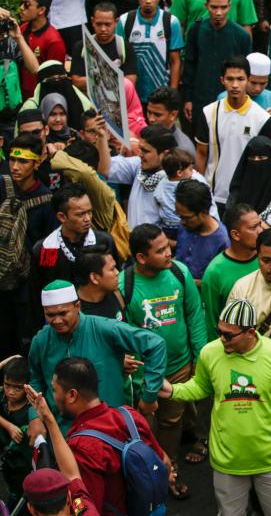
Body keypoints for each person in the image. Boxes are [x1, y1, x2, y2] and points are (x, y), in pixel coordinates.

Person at [158, 298, 271, 516]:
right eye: (220, 332)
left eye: (229, 335)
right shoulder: (210, 353)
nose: (222, 339)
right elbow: (201, 387)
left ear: (250, 332)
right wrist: (172, 391)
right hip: (227, 461)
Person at [119, 224, 204, 492]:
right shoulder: (124, 286)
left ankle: (170, 467)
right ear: (141, 258)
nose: (169, 253)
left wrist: (200, 358)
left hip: (180, 366)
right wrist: (143, 379)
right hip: (145, 373)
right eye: (161, 251)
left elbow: (194, 315)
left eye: (168, 247)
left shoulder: (180, 273)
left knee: (170, 421)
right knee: (145, 423)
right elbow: (124, 336)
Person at [26, 280, 167, 437]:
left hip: (109, 432)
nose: (57, 321)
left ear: (77, 307)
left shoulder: (105, 329)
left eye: (63, 313)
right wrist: (35, 417)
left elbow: (155, 344)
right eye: (50, 315)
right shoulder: (41, 340)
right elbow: (36, 380)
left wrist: (148, 397)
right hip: (63, 434)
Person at [52, 357, 169, 514]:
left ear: (72, 395)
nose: (53, 396)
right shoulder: (129, 415)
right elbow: (164, 463)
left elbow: (89, 508)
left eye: (54, 390)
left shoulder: (81, 446)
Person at [0, 135, 56, 358]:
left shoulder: (47, 201)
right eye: (12, 159)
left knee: (24, 343)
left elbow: (50, 248)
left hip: (27, 288)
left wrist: (44, 287)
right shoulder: (2, 187)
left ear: (37, 162)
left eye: (23, 161)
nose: (15, 166)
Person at [196, 55, 271, 210]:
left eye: (240, 79)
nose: (235, 85)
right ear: (222, 80)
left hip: (246, 199)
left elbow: (264, 165)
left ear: (248, 80)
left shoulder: (262, 118)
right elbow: (201, 153)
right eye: (230, 79)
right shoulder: (208, 112)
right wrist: (199, 190)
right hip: (213, 196)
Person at [181, 0, 253, 119]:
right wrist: (188, 99)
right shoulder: (196, 30)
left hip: (231, 101)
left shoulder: (241, 35)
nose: (219, 12)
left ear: (229, 6)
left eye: (223, 7)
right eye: (214, 7)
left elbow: (247, 73)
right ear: (206, 5)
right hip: (200, 99)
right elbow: (189, 66)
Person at [32, 183, 115, 296]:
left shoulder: (104, 242)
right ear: (62, 217)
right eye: (80, 214)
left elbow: (115, 282)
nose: (87, 219)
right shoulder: (44, 249)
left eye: (89, 212)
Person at [116, 0, 184, 104]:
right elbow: (118, 58)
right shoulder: (125, 21)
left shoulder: (171, 22)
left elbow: (175, 61)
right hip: (131, 94)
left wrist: (173, 91)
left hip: (161, 93)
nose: (148, 0)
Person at [200, 203, 262, 338]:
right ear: (236, 234)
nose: (260, 231)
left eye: (260, 225)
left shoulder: (266, 260)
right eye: (253, 227)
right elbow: (211, 322)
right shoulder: (215, 272)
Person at [69, 3, 138, 93]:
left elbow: (130, 82)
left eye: (107, 24)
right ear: (92, 21)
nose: (103, 29)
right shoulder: (81, 47)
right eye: (99, 24)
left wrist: (92, 80)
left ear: (116, 22)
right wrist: (113, 80)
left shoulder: (125, 47)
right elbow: (76, 81)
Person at [15, 0, 65, 100]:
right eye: (21, 3)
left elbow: (55, 80)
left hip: (39, 99)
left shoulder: (54, 41)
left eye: (27, 5)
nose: (21, 8)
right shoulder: (22, 29)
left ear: (41, 10)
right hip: (18, 96)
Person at [175, 179, 229, 282]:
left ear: (203, 212)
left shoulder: (222, 241)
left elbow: (219, 281)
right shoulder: (186, 226)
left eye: (186, 217)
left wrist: (189, 282)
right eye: (180, 216)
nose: (182, 222)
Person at [0, 356, 31, 505]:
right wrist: (7, 425)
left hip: (21, 473)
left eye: (17, 388)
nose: (11, 392)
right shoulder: (3, 399)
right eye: (7, 385)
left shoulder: (30, 412)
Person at [74, 248, 124, 321]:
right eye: (112, 269)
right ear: (94, 278)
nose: (117, 272)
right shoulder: (78, 314)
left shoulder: (113, 291)